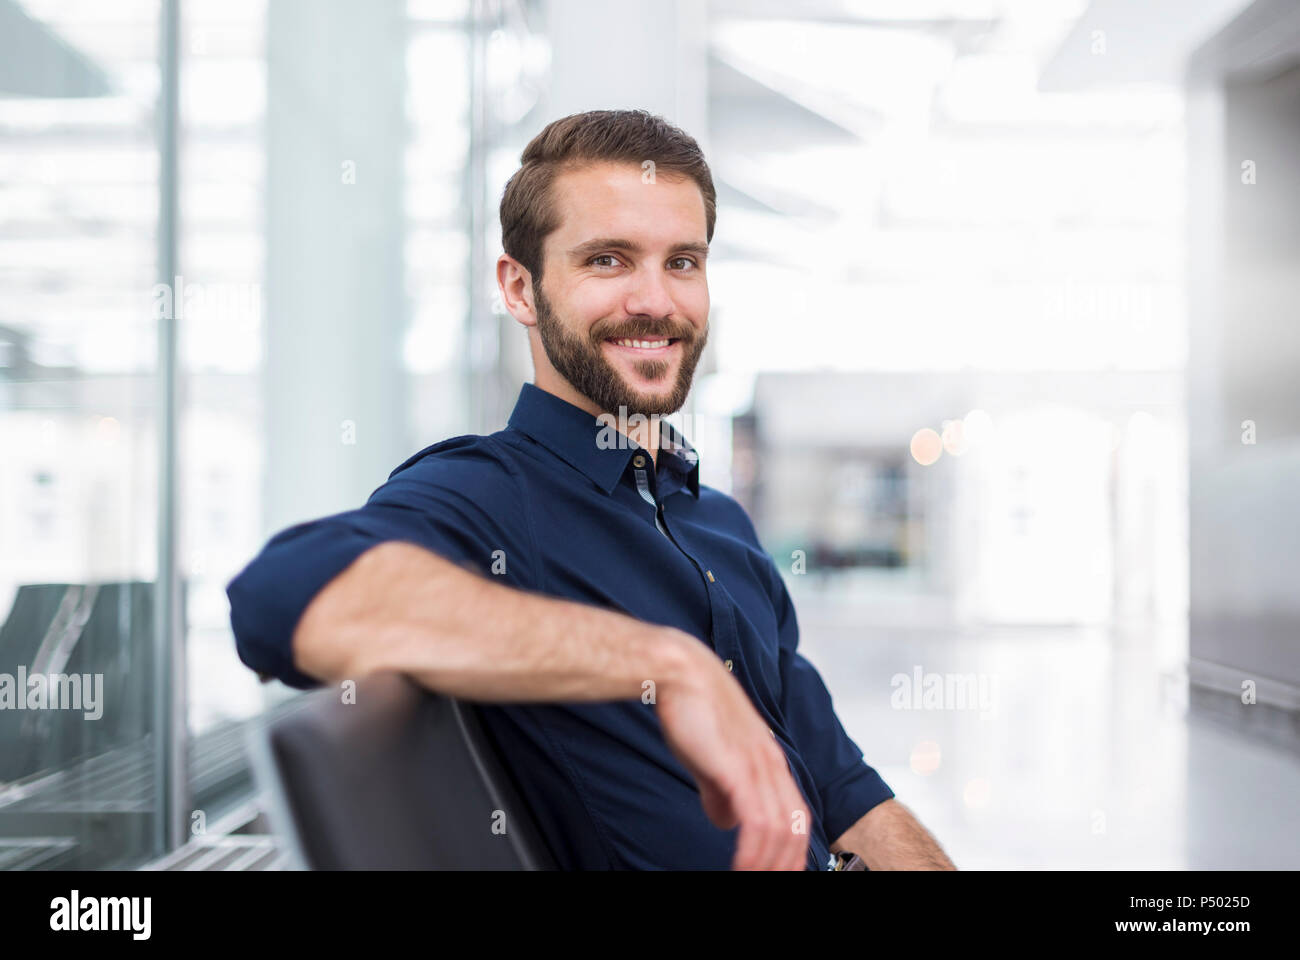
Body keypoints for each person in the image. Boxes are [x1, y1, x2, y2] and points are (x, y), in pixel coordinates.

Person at [228, 108, 955, 871]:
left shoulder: (720, 524)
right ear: (520, 288)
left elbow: (851, 795)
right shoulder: (492, 498)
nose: (656, 301)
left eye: (682, 262)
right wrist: (668, 665)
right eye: (608, 260)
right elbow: (279, 594)